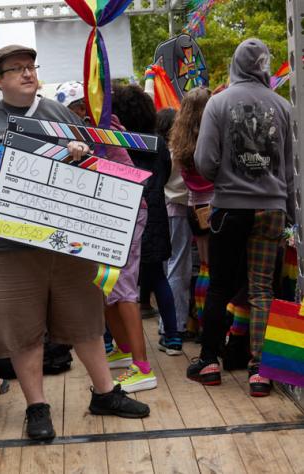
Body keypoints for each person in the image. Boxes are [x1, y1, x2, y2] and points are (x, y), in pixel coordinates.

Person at [0, 45, 150, 440]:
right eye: (16, 69)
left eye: (30, 67)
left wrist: (79, 153)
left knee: (85, 319)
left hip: (64, 242)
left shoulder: (58, 115)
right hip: (2, 247)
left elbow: (87, 170)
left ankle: (105, 393)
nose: (27, 73)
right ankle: (37, 408)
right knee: (22, 330)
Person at [186, 38, 294, 397]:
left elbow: (203, 162)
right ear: (265, 66)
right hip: (272, 209)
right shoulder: (283, 106)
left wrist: (226, 177)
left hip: (230, 207)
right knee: (262, 288)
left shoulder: (218, 103)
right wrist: (287, 206)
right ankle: (261, 373)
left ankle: (210, 361)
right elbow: (291, 167)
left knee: (219, 285)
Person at [55, 81, 157, 392]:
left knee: (123, 286)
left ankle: (142, 367)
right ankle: (125, 350)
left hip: (123, 212)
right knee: (104, 284)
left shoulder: (100, 127)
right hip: (106, 215)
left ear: (84, 110)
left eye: (73, 111)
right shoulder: (85, 131)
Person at [112, 85, 182, 356]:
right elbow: (164, 176)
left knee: (116, 284)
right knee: (158, 277)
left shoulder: (115, 140)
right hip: (155, 214)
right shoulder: (157, 143)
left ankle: (115, 342)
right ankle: (173, 337)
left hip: (124, 216)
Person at [169, 87, 213, 335]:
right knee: (217, 271)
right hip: (216, 207)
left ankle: (201, 324)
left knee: (204, 268)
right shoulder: (212, 138)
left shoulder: (179, 142)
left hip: (194, 207)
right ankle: (215, 327)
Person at [160, 108, 193, 338]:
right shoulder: (179, 151)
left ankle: (168, 324)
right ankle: (176, 325)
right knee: (179, 269)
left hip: (163, 210)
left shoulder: (159, 149)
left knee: (167, 268)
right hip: (180, 210)